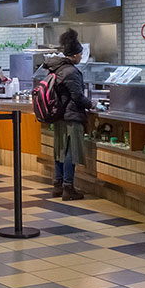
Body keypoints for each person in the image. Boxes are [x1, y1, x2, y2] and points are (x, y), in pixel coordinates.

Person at [46, 29, 93, 201]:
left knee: (59, 150)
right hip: (71, 116)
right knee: (70, 152)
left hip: (58, 115)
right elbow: (77, 96)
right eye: (80, 54)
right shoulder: (71, 71)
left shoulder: (56, 67)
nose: (81, 57)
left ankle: (57, 185)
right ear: (74, 55)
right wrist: (92, 104)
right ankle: (68, 187)